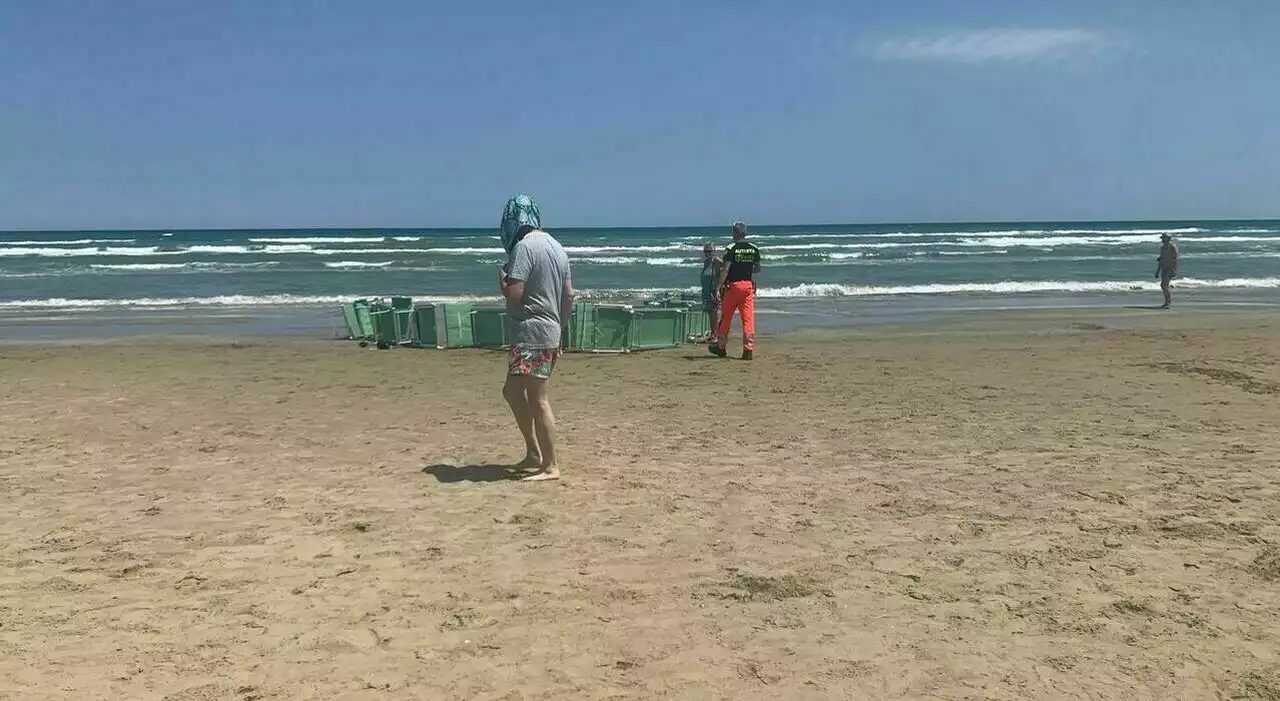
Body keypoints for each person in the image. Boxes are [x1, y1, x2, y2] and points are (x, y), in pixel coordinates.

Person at [498, 194, 573, 482]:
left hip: (530, 332)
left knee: (537, 398)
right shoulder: (557, 248)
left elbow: (515, 294)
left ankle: (550, 464)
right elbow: (568, 296)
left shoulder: (524, 248)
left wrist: (502, 279)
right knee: (513, 392)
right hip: (549, 332)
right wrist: (561, 330)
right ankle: (533, 452)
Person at [709, 221, 762, 360]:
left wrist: (717, 287)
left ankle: (721, 347)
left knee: (726, 317)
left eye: (733, 231)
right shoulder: (753, 248)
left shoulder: (731, 248)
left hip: (734, 287)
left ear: (736, 233)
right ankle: (748, 350)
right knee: (748, 319)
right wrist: (745, 268)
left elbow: (726, 269)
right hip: (748, 286)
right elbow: (757, 268)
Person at [699, 243, 724, 342]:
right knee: (710, 313)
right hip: (706, 290)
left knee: (714, 313)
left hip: (713, 291)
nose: (707, 254)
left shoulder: (716, 261)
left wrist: (718, 288)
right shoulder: (706, 262)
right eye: (706, 252)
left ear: (714, 252)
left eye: (709, 251)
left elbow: (726, 268)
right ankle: (713, 333)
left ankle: (716, 335)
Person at [1156, 232, 1179, 309]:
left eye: (1163, 238)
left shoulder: (1172, 247)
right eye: (1162, 238)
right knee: (1164, 286)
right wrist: (1157, 271)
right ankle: (1167, 301)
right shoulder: (1162, 248)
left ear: (1168, 239)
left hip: (1170, 268)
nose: (1162, 239)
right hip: (1164, 268)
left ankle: (1168, 302)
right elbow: (1161, 260)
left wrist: (1174, 269)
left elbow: (1175, 259)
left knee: (1164, 285)